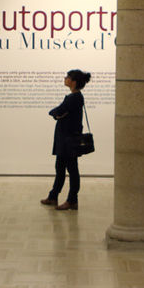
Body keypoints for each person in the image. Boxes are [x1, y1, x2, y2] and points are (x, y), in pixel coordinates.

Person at [41, 69, 91, 211]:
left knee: (71, 170)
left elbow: (57, 111)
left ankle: (72, 200)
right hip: (66, 139)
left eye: (67, 77)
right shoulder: (75, 97)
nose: (65, 78)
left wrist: (56, 114)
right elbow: (59, 112)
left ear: (73, 81)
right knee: (61, 168)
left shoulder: (73, 98)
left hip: (68, 140)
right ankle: (53, 196)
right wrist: (57, 114)